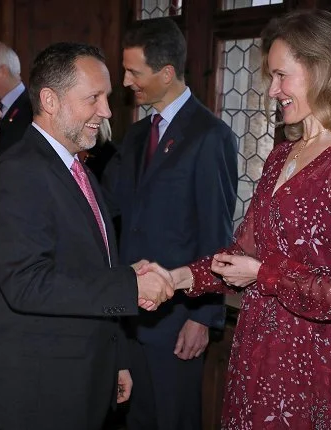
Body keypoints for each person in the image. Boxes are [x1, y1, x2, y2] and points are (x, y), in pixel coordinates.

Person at [142, 9, 331, 429]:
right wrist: (177, 277)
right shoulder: (280, 157)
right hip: (258, 348)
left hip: (312, 362)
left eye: (281, 75)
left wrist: (264, 275)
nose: (272, 90)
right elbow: (242, 254)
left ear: (322, 70)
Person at [0, 42, 174, 430]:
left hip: (82, 379)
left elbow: (85, 266)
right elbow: (26, 283)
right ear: (50, 100)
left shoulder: (73, 168)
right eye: (93, 98)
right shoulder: (19, 173)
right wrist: (129, 286)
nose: (107, 111)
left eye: (108, 97)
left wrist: (117, 359)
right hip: (37, 394)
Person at [103, 18, 238, 430]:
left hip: (179, 317)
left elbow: (217, 234)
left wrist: (203, 316)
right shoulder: (138, 133)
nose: (125, 81)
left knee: (173, 419)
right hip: (131, 312)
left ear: (165, 73)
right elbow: (117, 208)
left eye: (133, 72)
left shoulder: (210, 135)